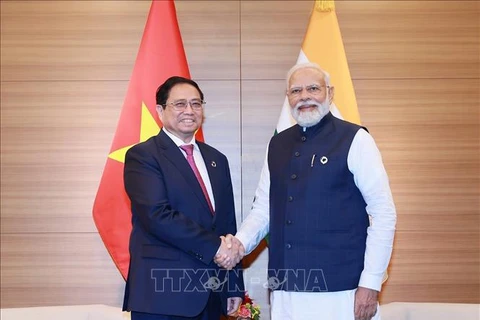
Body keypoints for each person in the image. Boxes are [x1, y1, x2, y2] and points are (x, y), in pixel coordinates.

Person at [216, 63, 397, 320]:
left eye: (313, 88)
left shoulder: (356, 139)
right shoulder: (277, 143)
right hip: (286, 290)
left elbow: (384, 214)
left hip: (342, 289)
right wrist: (240, 244)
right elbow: (264, 209)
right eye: (296, 91)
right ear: (288, 97)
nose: (304, 96)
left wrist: (370, 283)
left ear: (330, 93)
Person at [122, 76, 244, 320]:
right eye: (179, 104)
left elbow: (227, 225)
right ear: (160, 110)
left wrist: (233, 285)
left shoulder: (217, 160)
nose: (189, 111)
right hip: (162, 296)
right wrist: (215, 247)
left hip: (211, 295)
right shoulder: (143, 156)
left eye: (196, 104)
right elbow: (157, 216)